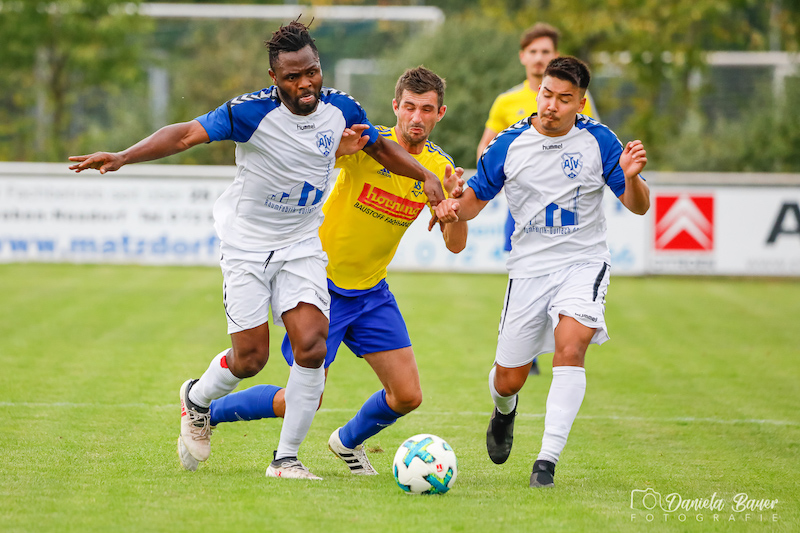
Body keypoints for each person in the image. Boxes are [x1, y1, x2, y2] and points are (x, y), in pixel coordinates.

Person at [68, 21, 447, 480]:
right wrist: (125, 156)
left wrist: (424, 176)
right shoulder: (249, 112)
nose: (305, 84)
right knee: (250, 358)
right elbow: (185, 134)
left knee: (312, 346)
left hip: (302, 242)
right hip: (247, 245)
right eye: (292, 76)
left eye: (311, 72)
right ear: (274, 78)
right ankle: (197, 399)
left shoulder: (341, 108)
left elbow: (380, 148)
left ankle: (285, 460)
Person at [178, 66, 468, 476]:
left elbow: (456, 244)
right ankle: (207, 411)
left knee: (407, 395)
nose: (416, 117)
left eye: (426, 109)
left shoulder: (440, 168)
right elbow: (306, 161)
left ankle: (346, 442)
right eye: (409, 107)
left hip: (371, 292)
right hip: (320, 283)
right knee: (301, 400)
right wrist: (337, 152)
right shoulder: (368, 142)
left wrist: (455, 208)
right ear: (395, 107)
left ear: (441, 114)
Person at [434, 56, 649, 488]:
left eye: (564, 99)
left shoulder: (600, 141)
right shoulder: (509, 144)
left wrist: (632, 178)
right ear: (538, 92)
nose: (552, 105)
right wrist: (453, 202)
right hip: (528, 270)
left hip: (583, 262)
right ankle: (504, 411)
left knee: (571, 348)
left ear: (580, 103)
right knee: (508, 379)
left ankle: (545, 463)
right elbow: (471, 205)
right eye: (546, 94)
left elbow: (638, 206)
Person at [477, 23, 599, 376]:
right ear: (523, 57)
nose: (538, 57)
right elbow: (486, 148)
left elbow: (592, 145)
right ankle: (524, 349)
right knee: (525, 271)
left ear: (555, 56)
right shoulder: (507, 101)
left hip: (566, 208)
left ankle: (557, 341)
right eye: (533, 52)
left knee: (562, 275)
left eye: (545, 52)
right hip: (524, 209)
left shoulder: (577, 98)